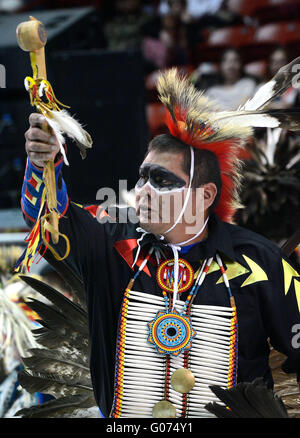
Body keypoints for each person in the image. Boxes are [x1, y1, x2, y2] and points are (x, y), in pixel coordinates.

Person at [18, 68, 300, 418]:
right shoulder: (111, 241)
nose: (142, 191)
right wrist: (44, 162)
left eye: (161, 180)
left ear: (204, 195)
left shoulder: (260, 262)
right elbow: (48, 222)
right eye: (142, 177)